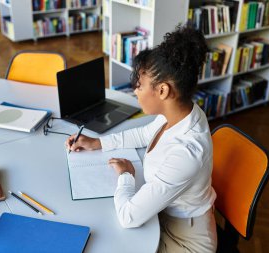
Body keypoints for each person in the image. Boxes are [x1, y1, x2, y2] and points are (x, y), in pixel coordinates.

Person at [65, 25, 217, 253]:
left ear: (163, 91)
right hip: (161, 214)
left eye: (139, 85)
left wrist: (126, 176)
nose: (135, 91)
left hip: (184, 239)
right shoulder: (182, 112)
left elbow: (128, 216)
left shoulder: (187, 152)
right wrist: (97, 143)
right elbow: (144, 134)